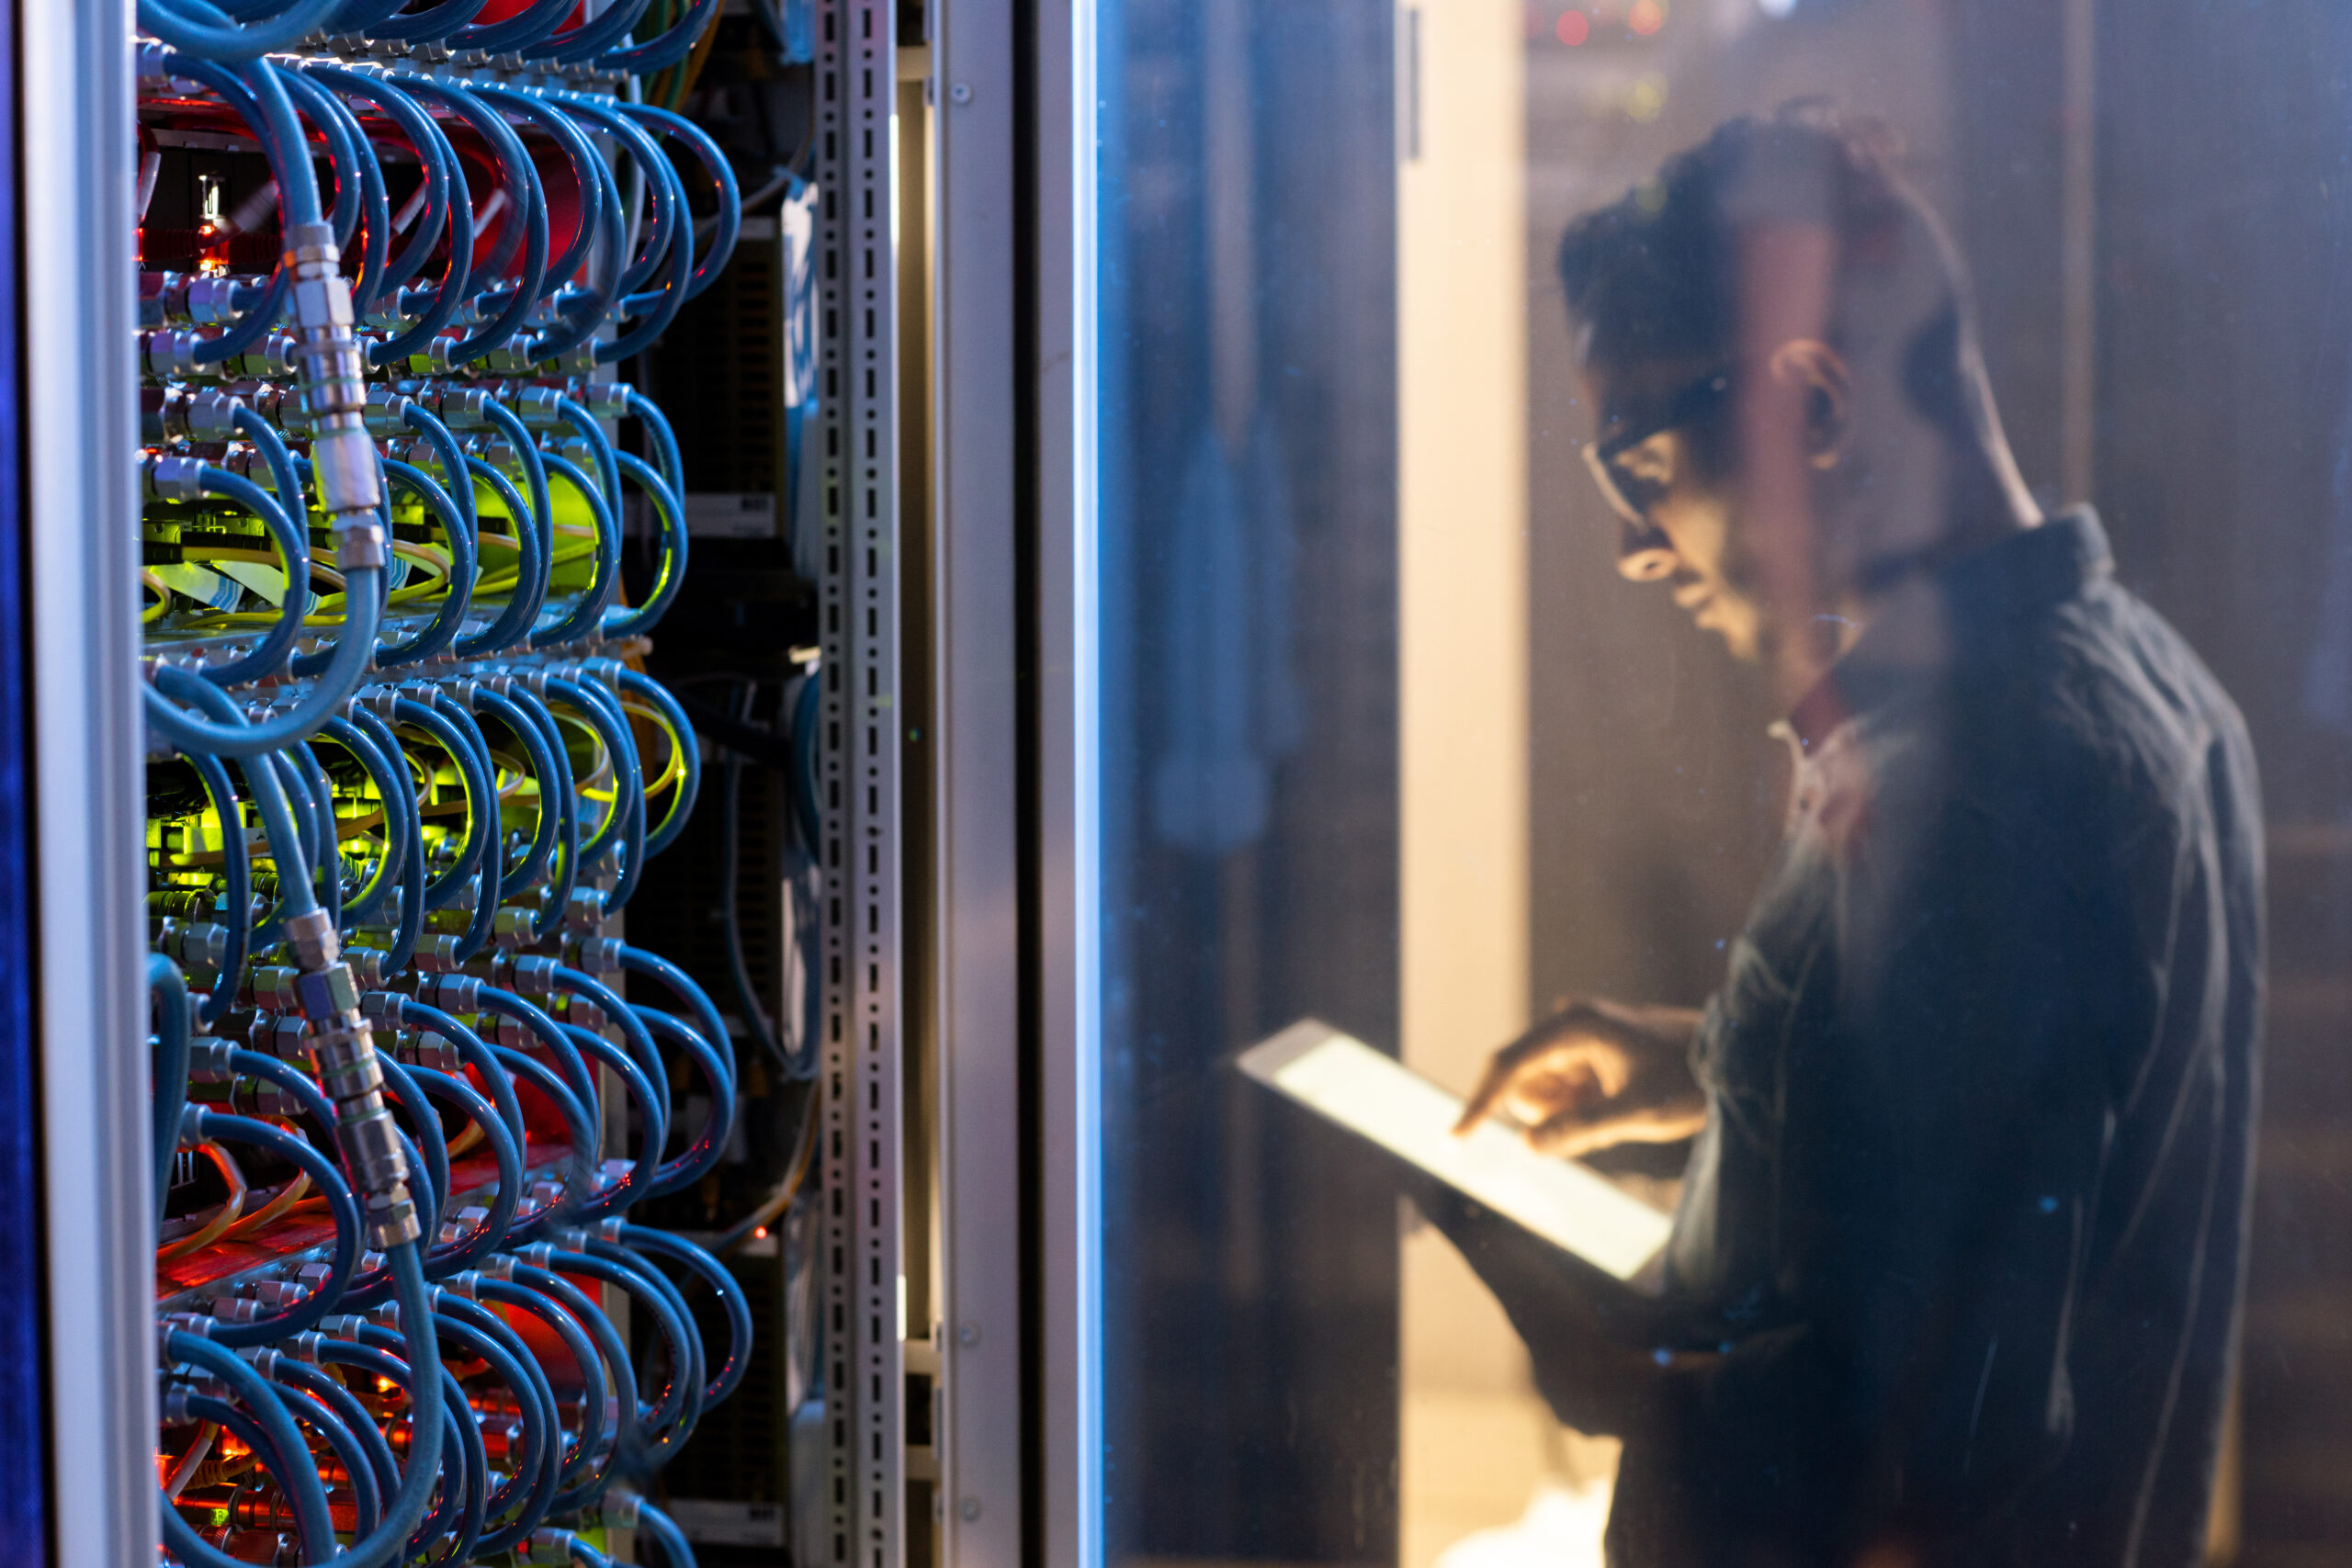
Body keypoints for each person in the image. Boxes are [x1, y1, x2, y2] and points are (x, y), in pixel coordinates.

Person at [1436, 106, 2264, 1567]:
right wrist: (1724, 1066)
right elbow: (2005, 1148)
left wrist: (1617, 1365)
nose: (1632, 541)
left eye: (1637, 464)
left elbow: (1942, 1443)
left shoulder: (1989, 796)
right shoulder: (2158, 691)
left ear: (1813, 404)